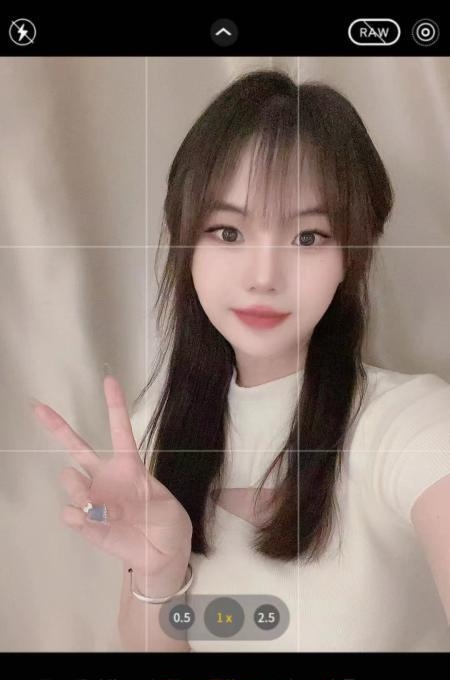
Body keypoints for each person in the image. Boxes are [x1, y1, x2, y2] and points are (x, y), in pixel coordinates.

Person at [31, 69, 450, 652]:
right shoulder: (156, 428)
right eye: (228, 232)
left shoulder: (412, 423)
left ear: (352, 257)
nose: (263, 277)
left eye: (308, 237)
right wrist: (159, 571)